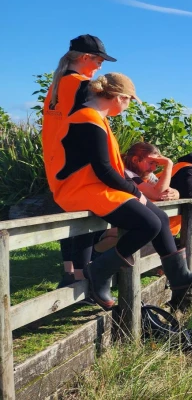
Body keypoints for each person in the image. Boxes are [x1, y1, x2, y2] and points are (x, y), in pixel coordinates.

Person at [45, 73, 192, 310]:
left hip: (95, 188)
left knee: (161, 218)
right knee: (149, 223)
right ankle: (99, 270)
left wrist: (135, 192)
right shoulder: (87, 119)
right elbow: (104, 170)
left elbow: (106, 170)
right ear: (118, 97)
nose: (128, 106)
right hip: (80, 190)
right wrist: (137, 193)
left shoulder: (95, 118)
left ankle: (178, 276)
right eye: (129, 100)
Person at [42, 35, 116, 287]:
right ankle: (83, 277)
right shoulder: (84, 86)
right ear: (84, 58)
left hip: (55, 161)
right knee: (88, 220)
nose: (100, 66)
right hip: (79, 164)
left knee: (69, 216)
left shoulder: (55, 86)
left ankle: (69, 272)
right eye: (98, 59)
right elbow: (86, 129)